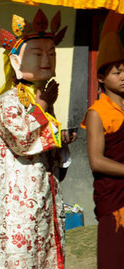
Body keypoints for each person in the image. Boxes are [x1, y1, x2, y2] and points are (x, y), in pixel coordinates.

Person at [0, 10, 74, 268]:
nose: (47, 60)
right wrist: (42, 106)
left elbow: (47, 143)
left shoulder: (40, 100)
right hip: (17, 201)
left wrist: (62, 142)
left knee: (46, 253)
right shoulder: (7, 101)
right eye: (37, 53)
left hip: (43, 194)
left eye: (52, 54)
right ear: (15, 61)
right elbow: (22, 140)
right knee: (19, 255)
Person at [82, 31, 124, 269]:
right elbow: (96, 161)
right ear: (100, 78)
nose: (123, 77)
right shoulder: (97, 112)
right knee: (114, 256)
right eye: (117, 73)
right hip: (115, 197)